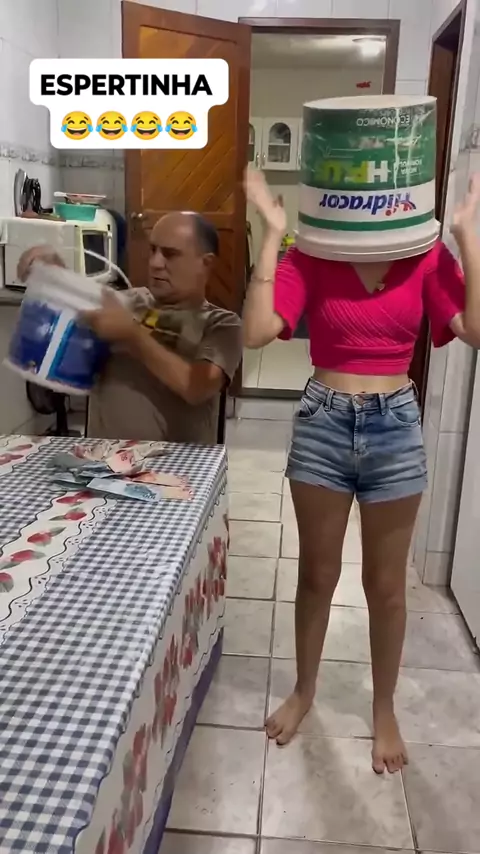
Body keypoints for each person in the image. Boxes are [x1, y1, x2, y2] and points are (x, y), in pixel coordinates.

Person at [243, 167, 480, 775]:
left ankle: (383, 709)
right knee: (316, 576)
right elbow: (256, 332)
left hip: (395, 427)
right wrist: (271, 233)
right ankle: (305, 691)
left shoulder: (424, 256)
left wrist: (466, 237)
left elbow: (475, 330)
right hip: (323, 423)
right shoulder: (314, 254)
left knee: (386, 585)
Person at [18, 212, 242, 444]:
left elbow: (197, 388)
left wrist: (132, 335)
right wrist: (56, 275)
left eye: (170, 254)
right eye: (153, 250)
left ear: (205, 264)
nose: (155, 263)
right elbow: (77, 310)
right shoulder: (127, 301)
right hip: (103, 459)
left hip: (175, 462)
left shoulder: (222, 324)